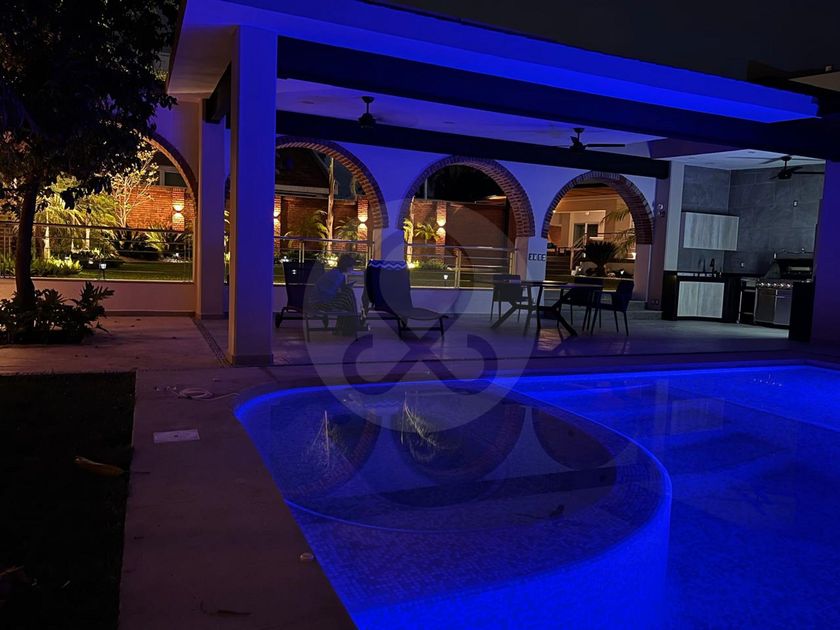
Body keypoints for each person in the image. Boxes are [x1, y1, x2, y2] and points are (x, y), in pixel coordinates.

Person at [313, 253, 365, 335]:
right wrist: (346, 288)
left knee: (348, 297)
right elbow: (334, 293)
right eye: (351, 267)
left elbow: (333, 290)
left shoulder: (333, 272)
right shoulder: (338, 276)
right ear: (347, 266)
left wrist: (344, 288)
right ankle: (354, 325)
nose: (352, 269)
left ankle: (347, 327)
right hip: (323, 304)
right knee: (349, 293)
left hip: (319, 302)